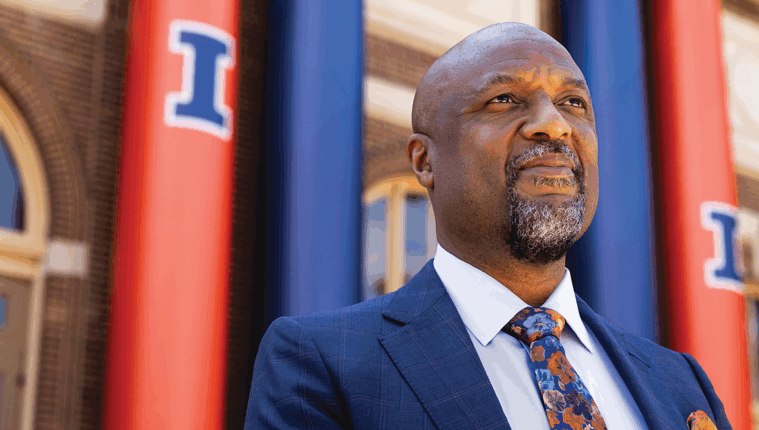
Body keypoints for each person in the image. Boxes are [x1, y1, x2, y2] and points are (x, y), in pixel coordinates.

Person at [245, 23, 731, 430]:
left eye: (574, 103)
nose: (554, 125)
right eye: (503, 99)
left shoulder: (681, 382)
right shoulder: (324, 363)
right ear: (424, 160)